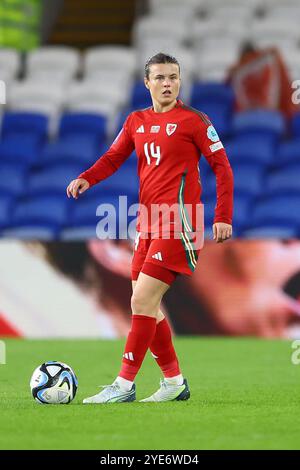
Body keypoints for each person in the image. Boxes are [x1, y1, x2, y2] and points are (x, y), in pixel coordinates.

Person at [66, 52, 234, 403]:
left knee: (142, 299)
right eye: (159, 77)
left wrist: (222, 216)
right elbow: (113, 158)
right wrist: (87, 178)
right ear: (147, 83)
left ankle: (123, 385)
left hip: (181, 223)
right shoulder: (135, 121)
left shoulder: (195, 121)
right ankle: (174, 383)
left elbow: (223, 167)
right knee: (146, 306)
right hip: (148, 222)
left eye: (173, 77)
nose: (167, 83)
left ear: (180, 81)